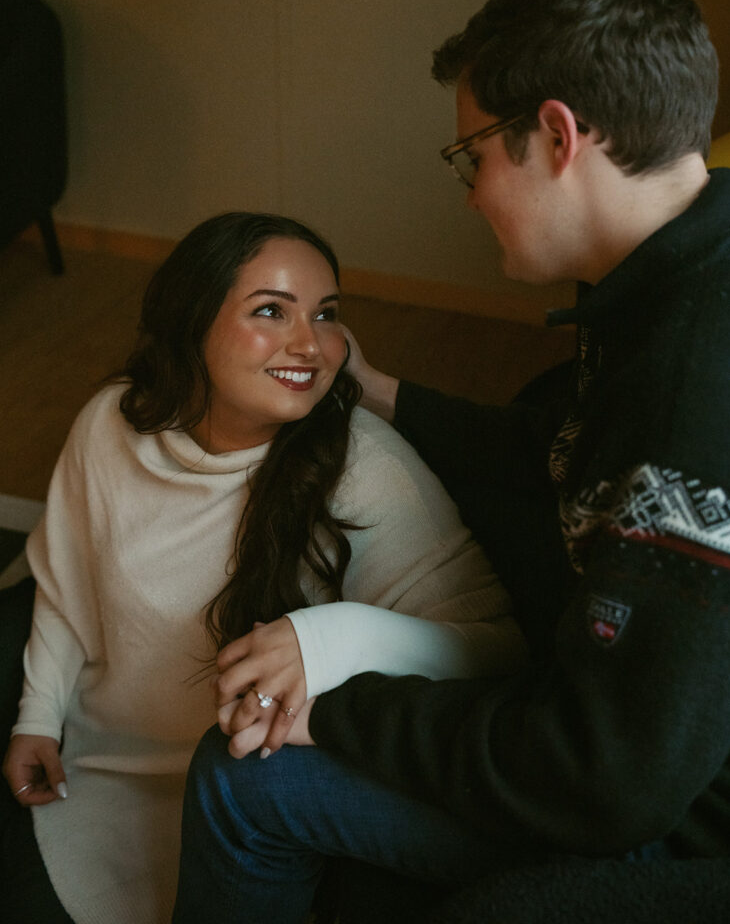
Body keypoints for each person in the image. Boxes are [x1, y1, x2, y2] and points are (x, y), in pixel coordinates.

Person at [171, 0, 730, 924]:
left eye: (471, 157)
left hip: (677, 818)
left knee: (240, 780)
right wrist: (384, 391)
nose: (469, 191)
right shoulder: (676, 275)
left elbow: (605, 780)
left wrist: (339, 707)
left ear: (556, 137)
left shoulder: (692, 388)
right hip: (648, 743)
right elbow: (562, 456)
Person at [0, 212, 526, 924]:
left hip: (246, 795)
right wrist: (37, 716)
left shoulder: (367, 469)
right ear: (193, 322)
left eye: (326, 314)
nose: (310, 344)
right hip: (97, 755)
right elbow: (67, 584)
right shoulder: (109, 423)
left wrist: (333, 634)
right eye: (271, 311)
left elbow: (497, 645)